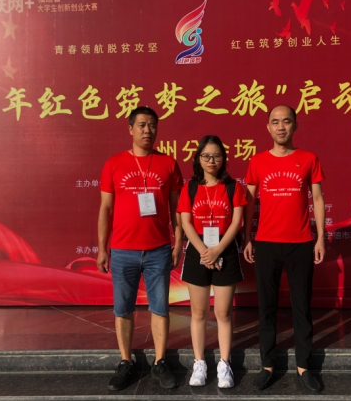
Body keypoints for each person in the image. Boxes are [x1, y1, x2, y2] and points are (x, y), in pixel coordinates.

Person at [96, 106, 183, 391]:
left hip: (158, 249)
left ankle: (160, 362)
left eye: (152, 125)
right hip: (123, 250)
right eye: (142, 125)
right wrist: (102, 248)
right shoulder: (114, 164)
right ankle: (126, 361)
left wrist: (178, 242)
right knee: (123, 309)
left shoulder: (168, 164)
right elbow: (106, 209)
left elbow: (176, 209)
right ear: (131, 128)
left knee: (160, 307)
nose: (148, 130)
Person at [243, 105, 326, 393]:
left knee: (302, 306)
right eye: (275, 122)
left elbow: (317, 198)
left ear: (295, 125)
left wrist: (320, 238)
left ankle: (304, 365)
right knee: (266, 307)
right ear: (268, 127)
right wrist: (247, 237)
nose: (281, 127)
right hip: (266, 243)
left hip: (300, 243)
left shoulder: (309, 159)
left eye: (286, 121)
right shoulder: (257, 161)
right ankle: (267, 365)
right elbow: (249, 203)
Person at [177, 135, 247, 389]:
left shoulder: (233, 187)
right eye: (206, 156)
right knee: (198, 313)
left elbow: (237, 222)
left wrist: (216, 250)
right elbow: (186, 222)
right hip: (198, 250)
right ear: (198, 158)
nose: (211, 160)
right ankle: (199, 363)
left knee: (223, 314)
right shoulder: (190, 188)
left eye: (217, 155)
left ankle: (224, 364)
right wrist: (204, 252)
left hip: (224, 250)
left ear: (223, 159)